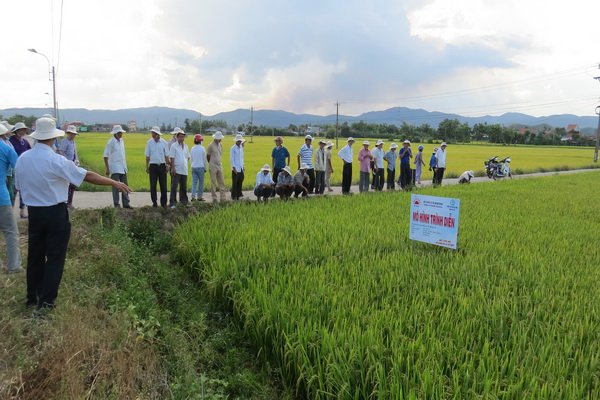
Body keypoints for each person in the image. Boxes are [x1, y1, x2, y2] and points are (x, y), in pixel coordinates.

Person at [14, 116, 131, 309]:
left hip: (34, 213)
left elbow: (19, 187)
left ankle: (31, 298)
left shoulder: (22, 160)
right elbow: (86, 175)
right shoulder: (56, 160)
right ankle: (46, 302)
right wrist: (113, 182)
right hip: (55, 214)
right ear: (53, 137)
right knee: (54, 257)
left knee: (34, 256)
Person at [0, 124, 22, 274]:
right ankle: (14, 266)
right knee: (10, 232)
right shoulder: (6, 148)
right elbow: (19, 167)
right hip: (1, 198)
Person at [103, 125, 131, 208]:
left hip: (123, 167)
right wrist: (107, 169)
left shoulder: (122, 141)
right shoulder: (111, 142)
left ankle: (126, 204)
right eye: (119, 132)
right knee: (115, 186)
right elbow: (105, 156)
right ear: (115, 133)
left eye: (121, 132)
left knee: (125, 185)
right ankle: (116, 204)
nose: (121, 134)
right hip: (115, 168)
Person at [9, 122, 31, 218]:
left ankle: (22, 211)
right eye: (21, 129)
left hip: (24, 168)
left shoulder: (25, 141)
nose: (23, 131)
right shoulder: (11, 140)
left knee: (23, 190)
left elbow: (30, 151)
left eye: (24, 129)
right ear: (17, 131)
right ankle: (10, 212)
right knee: (13, 190)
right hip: (14, 168)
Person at [144, 126, 169, 208]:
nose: (152, 134)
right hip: (153, 166)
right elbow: (147, 156)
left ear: (157, 134)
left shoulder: (164, 143)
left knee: (163, 185)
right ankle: (154, 202)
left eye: (153, 133)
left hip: (162, 166)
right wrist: (147, 166)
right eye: (152, 132)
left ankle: (164, 203)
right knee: (153, 185)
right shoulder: (149, 143)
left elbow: (166, 156)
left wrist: (167, 165)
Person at [57, 125, 80, 208]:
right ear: (68, 133)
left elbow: (74, 153)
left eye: (74, 134)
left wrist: (77, 160)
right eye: (71, 133)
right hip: (66, 166)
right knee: (67, 185)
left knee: (72, 185)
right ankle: (66, 203)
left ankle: (69, 202)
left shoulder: (73, 142)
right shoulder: (65, 142)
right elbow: (60, 152)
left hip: (73, 165)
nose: (73, 135)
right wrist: (66, 162)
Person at [169, 129, 190, 207]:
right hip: (176, 169)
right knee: (174, 186)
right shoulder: (174, 146)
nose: (181, 138)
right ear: (177, 137)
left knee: (183, 186)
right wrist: (173, 168)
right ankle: (172, 202)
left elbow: (187, 157)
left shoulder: (186, 146)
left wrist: (183, 163)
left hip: (184, 169)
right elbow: (172, 158)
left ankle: (184, 201)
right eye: (180, 136)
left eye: (183, 137)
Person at [207, 131, 226, 202]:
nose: (220, 139)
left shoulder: (220, 145)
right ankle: (214, 198)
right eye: (219, 138)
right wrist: (211, 163)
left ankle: (223, 197)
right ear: (215, 138)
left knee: (221, 182)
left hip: (219, 165)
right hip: (213, 165)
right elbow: (208, 156)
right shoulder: (210, 145)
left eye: (220, 138)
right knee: (213, 182)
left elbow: (220, 154)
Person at [1, 121, 16, 206]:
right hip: (7, 173)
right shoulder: (5, 145)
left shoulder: (7, 141)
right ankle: (10, 207)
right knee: (10, 191)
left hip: (9, 172)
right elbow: (15, 161)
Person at [190, 134, 207, 202]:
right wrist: (205, 168)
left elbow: (191, 159)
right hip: (201, 167)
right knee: (201, 183)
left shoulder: (192, 148)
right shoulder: (202, 148)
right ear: (200, 141)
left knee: (194, 183)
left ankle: (193, 197)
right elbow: (204, 160)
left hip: (194, 167)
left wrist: (192, 166)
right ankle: (199, 197)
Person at [230, 134, 245, 200]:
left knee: (241, 179)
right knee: (235, 182)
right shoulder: (233, 148)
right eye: (238, 141)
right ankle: (233, 195)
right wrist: (233, 168)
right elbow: (231, 159)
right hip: (235, 168)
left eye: (240, 141)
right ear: (236, 141)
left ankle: (239, 193)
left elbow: (241, 158)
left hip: (240, 167)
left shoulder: (241, 148)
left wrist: (243, 166)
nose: (239, 142)